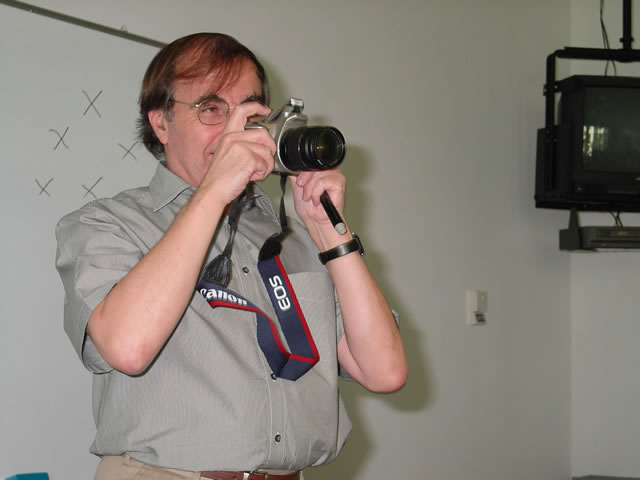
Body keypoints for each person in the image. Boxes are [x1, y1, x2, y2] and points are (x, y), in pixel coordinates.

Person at [55, 32, 407, 480]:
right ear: (161, 124)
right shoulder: (106, 223)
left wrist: (328, 232)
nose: (237, 131)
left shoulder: (293, 237)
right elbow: (128, 347)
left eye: (250, 112)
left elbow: (385, 372)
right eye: (211, 109)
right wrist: (215, 190)